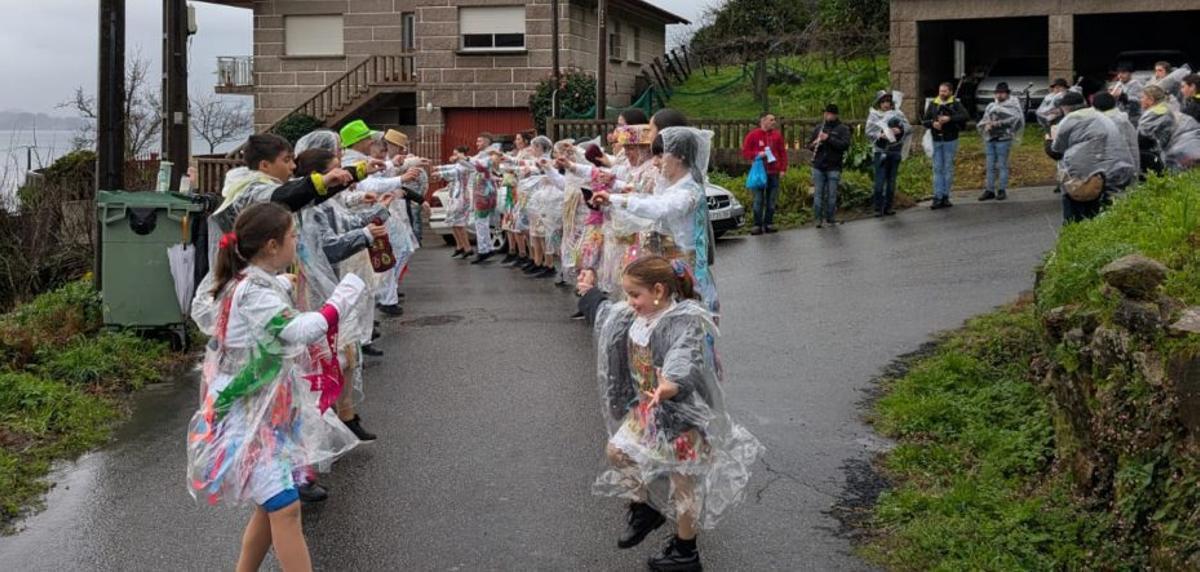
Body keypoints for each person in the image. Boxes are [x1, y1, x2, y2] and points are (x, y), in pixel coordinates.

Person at [187, 202, 365, 572]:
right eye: (292, 237)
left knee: (270, 507)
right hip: (247, 417)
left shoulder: (249, 283)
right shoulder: (254, 292)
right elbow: (298, 329)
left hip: (262, 412)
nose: (297, 243)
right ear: (271, 245)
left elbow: (262, 304)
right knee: (285, 508)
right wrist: (342, 299)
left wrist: (282, 282)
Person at [575, 255, 762, 572]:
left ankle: (686, 551)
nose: (629, 302)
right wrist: (589, 293)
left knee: (682, 484)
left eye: (635, 295)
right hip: (649, 412)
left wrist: (670, 384)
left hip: (680, 418)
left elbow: (683, 354)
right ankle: (645, 507)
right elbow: (605, 313)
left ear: (658, 290)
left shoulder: (681, 321)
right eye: (627, 295)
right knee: (617, 451)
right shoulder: (632, 316)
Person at [591, 127, 719, 315]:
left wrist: (615, 199)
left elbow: (660, 208)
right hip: (666, 268)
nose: (655, 163)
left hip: (686, 273)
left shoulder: (689, 191)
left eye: (660, 156)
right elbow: (647, 211)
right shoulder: (670, 186)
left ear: (679, 156)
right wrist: (613, 202)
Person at [1045, 91, 1134, 223]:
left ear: (1065, 107)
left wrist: (1048, 140)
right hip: (1108, 171)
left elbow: (1056, 150)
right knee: (1096, 215)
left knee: (1073, 216)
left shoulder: (1069, 119)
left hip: (1082, 178)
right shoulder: (1100, 116)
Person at [922, 82, 970, 210]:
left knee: (948, 168)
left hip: (950, 139)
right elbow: (925, 121)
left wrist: (950, 119)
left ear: (950, 92)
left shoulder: (955, 103)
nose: (941, 93)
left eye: (944, 91)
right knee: (937, 169)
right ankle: (937, 196)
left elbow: (965, 116)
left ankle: (945, 196)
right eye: (940, 91)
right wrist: (933, 123)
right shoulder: (933, 104)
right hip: (936, 140)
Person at [740, 112, 788, 234]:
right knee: (758, 199)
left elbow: (782, 153)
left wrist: (783, 169)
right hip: (759, 173)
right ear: (763, 121)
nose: (774, 122)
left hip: (774, 172)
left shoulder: (777, 136)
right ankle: (757, 224)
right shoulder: (753, 135)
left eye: (774, 120)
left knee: (771, 200)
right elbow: (745, 153)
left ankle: (769, 223)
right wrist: (757, 154)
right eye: (771, 120)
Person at [977, 82, 1025, 201]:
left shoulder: (1013, 106)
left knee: (1002, 165)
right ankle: (989, 190)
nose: (999, 95)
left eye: (1002, 93)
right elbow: (984, 119)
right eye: (997, 93)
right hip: (990, 138)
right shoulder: (991, 106)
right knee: (990, 166)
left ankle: (1002, 190)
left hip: (1004, 138)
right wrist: (985, 125)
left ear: (1007, 94)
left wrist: (998, 123)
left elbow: (1016, 120)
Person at [867, 91, 911, 217]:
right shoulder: (874, 116)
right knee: (879, 182)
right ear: (879, 104)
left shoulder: (898, 114)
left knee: (891, 182)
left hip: (895, 150)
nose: (886, 104)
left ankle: (888, 207)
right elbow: (868, 132)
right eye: (883, 102)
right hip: (880, 151)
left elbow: (909, 128)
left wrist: (900, 129)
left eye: (888, 102)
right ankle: (877, 208)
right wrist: (879, 134)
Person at [807, 104, 851, 227]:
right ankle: (817, 219)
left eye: (829, 113)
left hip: (834, 166)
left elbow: (845, 145)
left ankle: (830, 217)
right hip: (818, 165)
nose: (826, 115)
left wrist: (829, 138)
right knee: (818, 194)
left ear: (835, 115)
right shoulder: (819, 128)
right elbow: (809, 145)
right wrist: (815, 143)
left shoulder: (843, 129)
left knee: (831, 195)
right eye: (825, 113)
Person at [436, 146, 475, 259]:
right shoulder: (459, 164)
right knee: (453, 221)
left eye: (456, 153)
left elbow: (455, 171)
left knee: (459, 222)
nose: (454, 156)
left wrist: (440, 173)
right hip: (455, 194)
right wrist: (438, 168)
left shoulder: (467, 163)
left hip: (463, 195)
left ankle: (467, 247)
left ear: (462, 154)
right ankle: (460, 245)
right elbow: (451, 168)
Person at [1093, 92, 1140, 177]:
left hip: (1112, 171)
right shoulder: (1124, 120)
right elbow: (1133, 147)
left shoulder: (1100, 124)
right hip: (1130, 168)